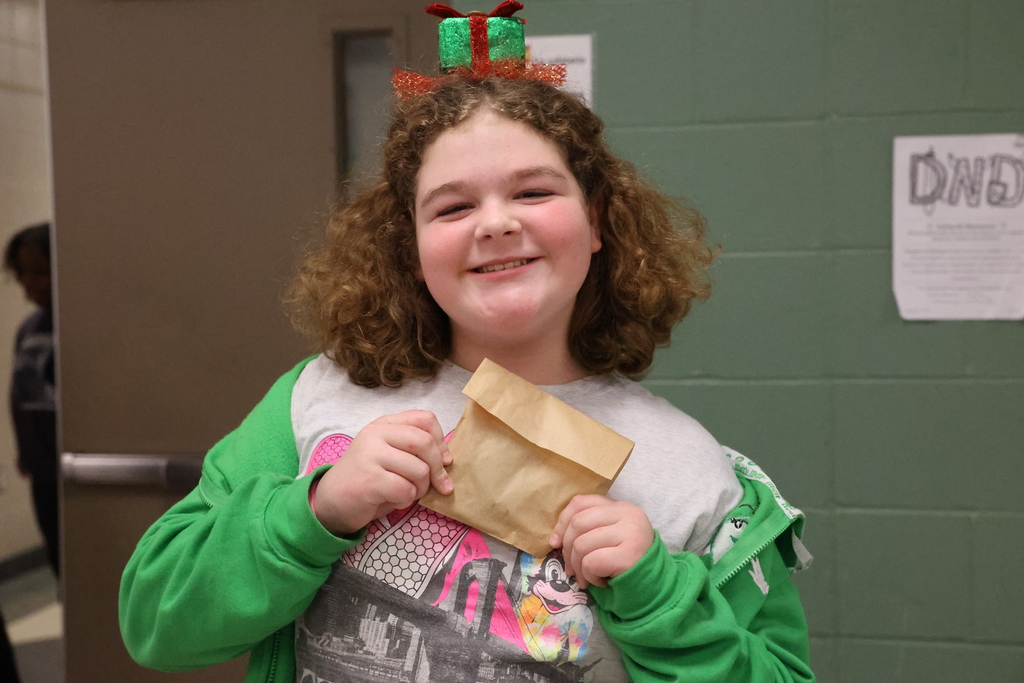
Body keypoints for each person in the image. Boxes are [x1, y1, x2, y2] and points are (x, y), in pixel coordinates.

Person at [119, 5, 814, 682]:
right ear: (411, 247)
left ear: (597, 221)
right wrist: (315, 510)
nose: (496, 223)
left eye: (534, 192)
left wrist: (661, 594)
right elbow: (154, 621)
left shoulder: (690, 474)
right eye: (453, 206)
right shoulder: (315, 402)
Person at [5, 223, 60, 578]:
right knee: (59, 561)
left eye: (39, 272)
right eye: (22, 272)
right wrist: (25, 449)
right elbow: (20, 393)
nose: (29, 282)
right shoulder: (29, 328)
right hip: (42, 472)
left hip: (74, 469)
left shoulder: (82, 325)